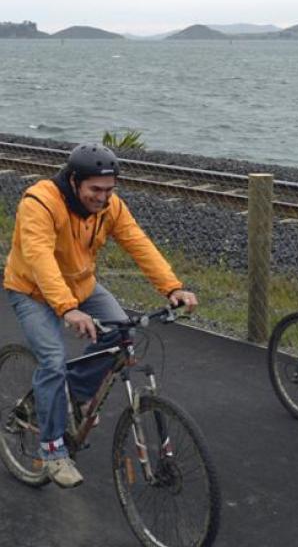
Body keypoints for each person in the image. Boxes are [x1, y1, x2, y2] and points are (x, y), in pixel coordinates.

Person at [4, 143, 197, 489]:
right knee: (51, 359)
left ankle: (71, 396)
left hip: (81, 286)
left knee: (122, 334)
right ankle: (52, 453)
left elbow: (138, 243)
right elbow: (39, 258)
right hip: (31, 290)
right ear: (74, 181)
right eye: (96, 189)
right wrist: (68, 308)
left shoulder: (111, 208)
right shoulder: (40, 202)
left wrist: (172, 288)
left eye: (110, 190)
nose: (103, 197)